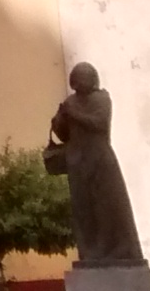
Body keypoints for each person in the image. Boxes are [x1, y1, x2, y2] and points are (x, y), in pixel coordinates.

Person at [50, 62, 144, 266]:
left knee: (109, 206)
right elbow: (64, 134)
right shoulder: (70, 102)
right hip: (77, 163)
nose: (77, 82)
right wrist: (58, 121)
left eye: (81, 77)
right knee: (84, 212)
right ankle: (90, 252)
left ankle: (119, 251)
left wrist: (71, 114)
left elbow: (98, 123)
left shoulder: (101, 98)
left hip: (100, 160)